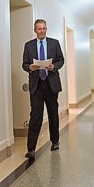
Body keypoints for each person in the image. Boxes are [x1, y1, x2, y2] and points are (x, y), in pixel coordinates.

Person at [22, 19, 64, 160]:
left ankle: (55, 141)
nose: (42, 31)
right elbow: (24, 64)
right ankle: (31, 149)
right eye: (39, 29)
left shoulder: (54, 43)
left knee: (53, 114)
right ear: (35, 30)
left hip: (51, 84)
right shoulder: (28, 46)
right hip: (36, 85)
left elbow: (60, 59)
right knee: (36, 116)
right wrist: (29, 67)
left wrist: (54, 66)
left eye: (44, 28)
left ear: (46, 29)